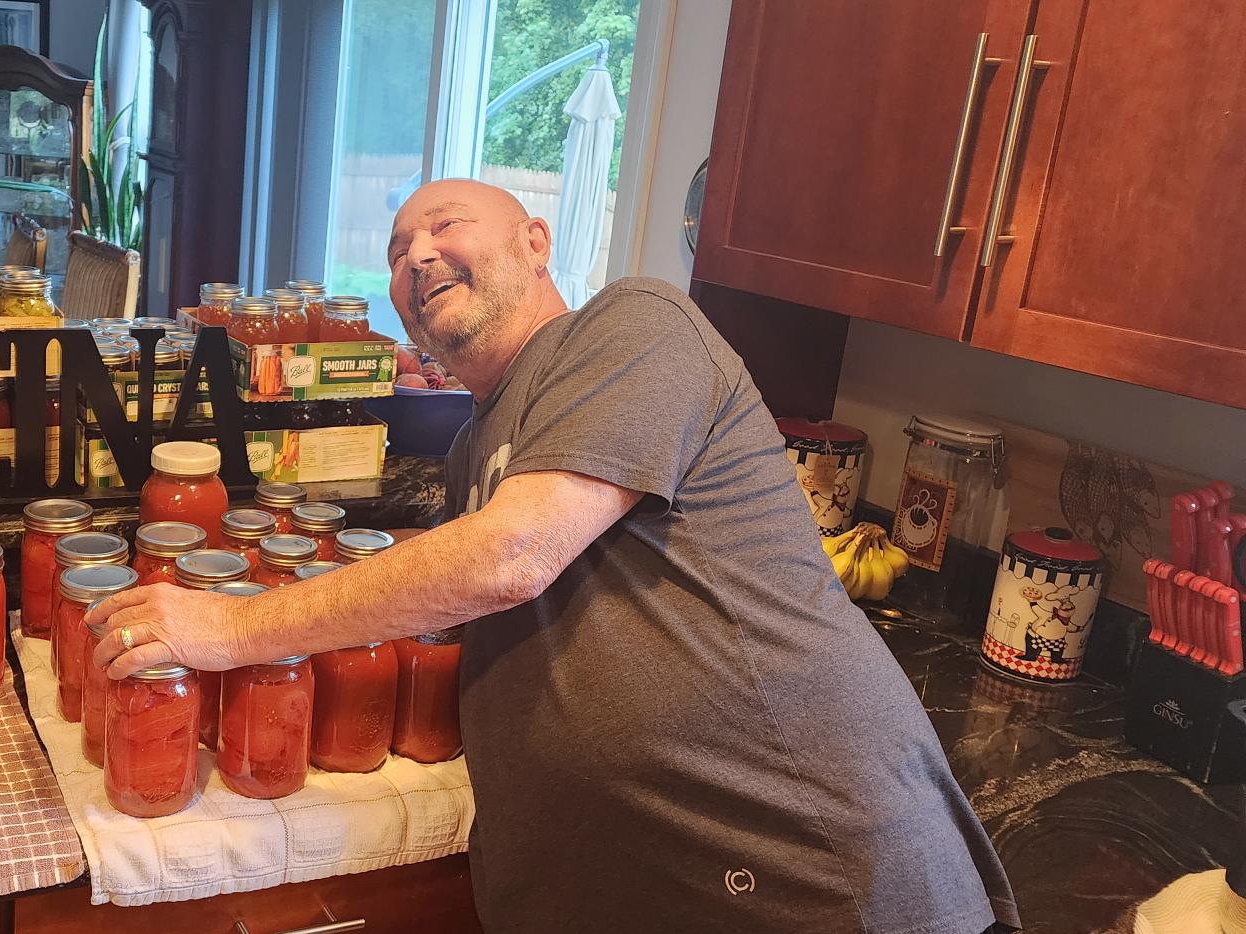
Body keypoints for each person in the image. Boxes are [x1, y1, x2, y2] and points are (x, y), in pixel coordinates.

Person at [89, 179, 1020, 933]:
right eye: (396, 254)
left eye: (444, 224)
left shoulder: (637, 323)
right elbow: (454, 577)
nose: (416, 254)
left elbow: (511, 558)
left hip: (793, 872)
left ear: (536, 241)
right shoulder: (475, 448)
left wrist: (232, 625)